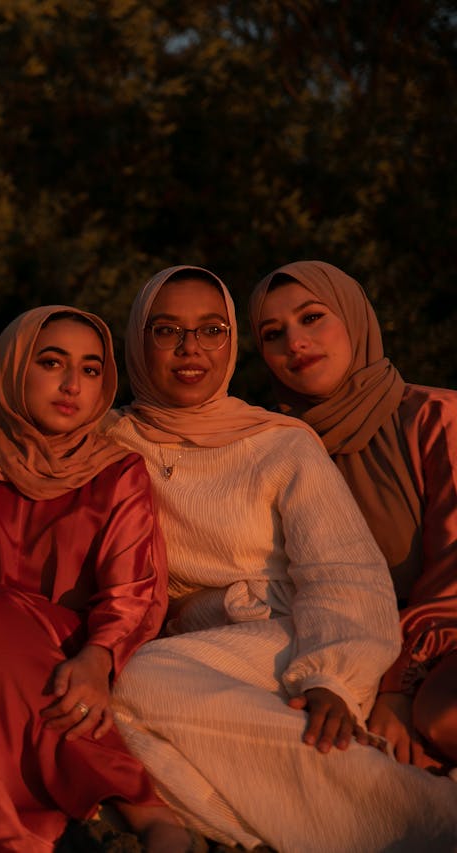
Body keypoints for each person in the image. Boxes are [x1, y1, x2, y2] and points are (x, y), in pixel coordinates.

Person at [103, 265, 457, 851]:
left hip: (301, 638)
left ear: (230, 344)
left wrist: (332, 677)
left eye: (212, 330)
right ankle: (310, 825)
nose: (191, 349)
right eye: (167, 331)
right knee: (122, 717)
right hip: (203, 652)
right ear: (138, 341)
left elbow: (341, 569)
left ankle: (425, 820)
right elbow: (40, 452)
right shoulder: (112, 441)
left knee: (142, 681)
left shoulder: (279, 440)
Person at [0, 306, 195, 852]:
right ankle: (124, 811)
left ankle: (68, 820)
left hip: (70, 651)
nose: (73, 384)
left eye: (92, 369)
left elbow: (133, 590)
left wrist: (99, 657)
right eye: (51, 362)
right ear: (12, 371)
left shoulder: (117, 472)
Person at [250, 259, 457, 770]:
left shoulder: (435, 418)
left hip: (441, 643)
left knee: (444, 717)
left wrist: (399, 688)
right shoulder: (274, 447)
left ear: (355, 318)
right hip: (344, 654)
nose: (294, 343)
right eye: (273, 334)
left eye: (312, 317)